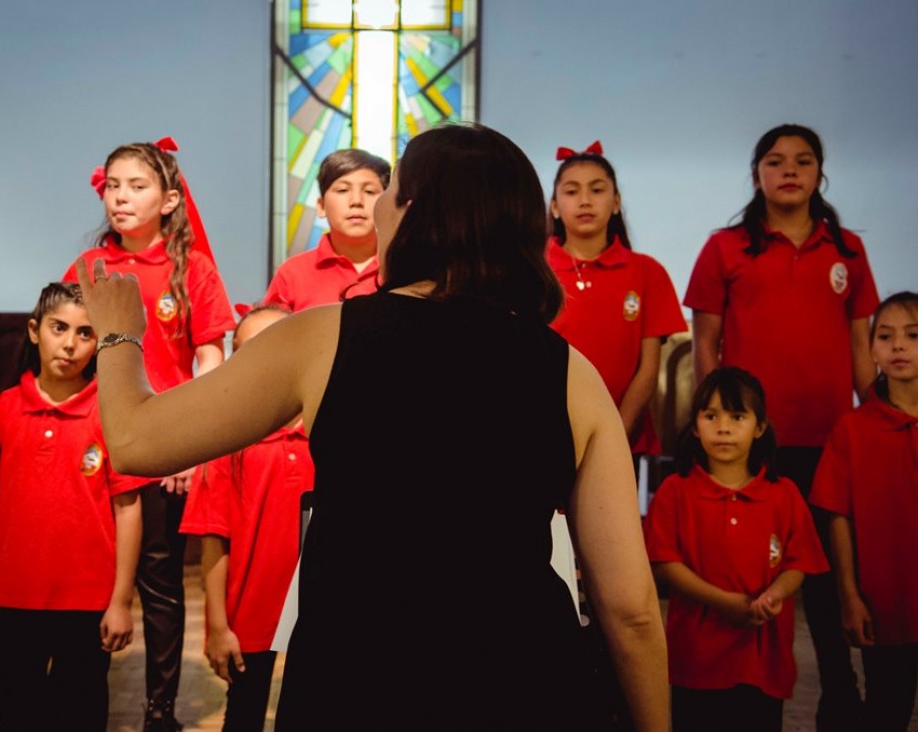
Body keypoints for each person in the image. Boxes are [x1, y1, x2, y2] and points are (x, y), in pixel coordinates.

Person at [76, 122, 669, 731]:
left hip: (359, 677)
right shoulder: (572, 374)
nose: (378, 202)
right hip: (519, 682)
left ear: (414, 212)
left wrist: (120, 334)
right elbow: (630, 611)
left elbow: (136, 440)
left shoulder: (323, 336)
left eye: (393, 187)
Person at [683, 123, 879, 730]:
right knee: (746, 568)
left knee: (821, 573)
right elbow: (705, 345)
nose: (788, 170)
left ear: (820, 172)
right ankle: (736, 691)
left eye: (802, 160)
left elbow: (860, 345)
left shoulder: (847, 250)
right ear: (757, 173)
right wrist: (720, 423)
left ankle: (839, 690)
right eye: (775, 161)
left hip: (829, 437)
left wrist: (876, 421)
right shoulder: (725, 249)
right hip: (753, 441)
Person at [62, 137, 234, 731]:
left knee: (159, 580)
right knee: (91, 571)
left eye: (137, 186)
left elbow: (210, 353)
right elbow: (68, 354)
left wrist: (192, 437)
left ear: (168, 198)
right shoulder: (87, 269)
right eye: (113, 186)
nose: (121, 197)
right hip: (96, 444)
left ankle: (160, 708)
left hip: (162, 443)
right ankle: (82, 699)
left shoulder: (193, 269)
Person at [0, 282, 143, 732]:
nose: (70, 343)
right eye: (59, 328)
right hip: (13, 600)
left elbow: (128, 508)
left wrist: (120, 600)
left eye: (85, 333)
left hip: (87, 603)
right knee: (16, 714)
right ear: (35, 330)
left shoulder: (110, 413)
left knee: (79, 715)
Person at [644, 366, 828, 731]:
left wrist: (774, 595)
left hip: (763, 660)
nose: (724, 427)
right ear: (695, 426)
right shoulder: (675, 493)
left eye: (737, 416)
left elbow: (799, 562)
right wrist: (724, 601)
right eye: (711, 415)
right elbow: (665, 563)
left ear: (759, 427)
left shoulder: (784, 495)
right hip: (696, 660)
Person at [179, 303, 312, 731]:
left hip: (319, 608)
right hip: (250, 615)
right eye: (248, 348)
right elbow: (213, 541)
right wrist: (217, 627)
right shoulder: (227, 441)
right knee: (244, 713)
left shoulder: (328, 432)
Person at [810, 291, 918, 731]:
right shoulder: (851, 430)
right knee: (885, 712)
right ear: (870, 348)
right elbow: (837, 516)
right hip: (886, 609)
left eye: (912, 335)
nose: (898, 346)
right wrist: (849, 596)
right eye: (886, 336)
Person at [546, 140, 687, 457]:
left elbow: (648, 368)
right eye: (571, 192)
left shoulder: (647, 272)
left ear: (616, 202)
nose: (585, 201)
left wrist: (614, 435)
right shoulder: (532, 267)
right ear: (554, 206)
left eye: (597, 190)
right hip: (545, 434)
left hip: (624, 438)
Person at [262, 148, 390, 311]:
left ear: (387, 204)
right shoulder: (292, 274)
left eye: (369, 191)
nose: (356, 201)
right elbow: (272, 333)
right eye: (343, 190)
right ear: (321, 206)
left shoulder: (405, 268)